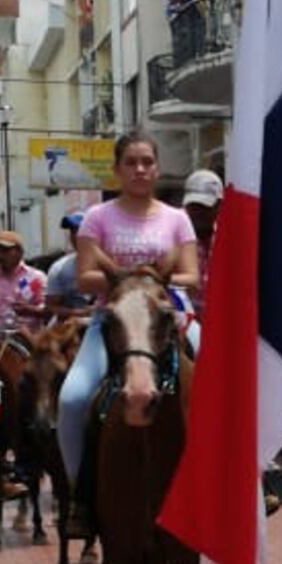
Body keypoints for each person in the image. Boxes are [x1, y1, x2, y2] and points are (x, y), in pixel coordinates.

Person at [57, 129, 198, 523]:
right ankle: (79, 497)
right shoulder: (96, 219)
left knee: (226, 385)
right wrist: (133, 283)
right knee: (72, 398)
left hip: (170, 318)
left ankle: (257, 478)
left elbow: (190, 275)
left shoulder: (178, 219)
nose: (140, 169)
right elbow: (85, 278)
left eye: (147, 162)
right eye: (131, 162)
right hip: (113, 320)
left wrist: (145, 283)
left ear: (157, 168)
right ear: (117, 170)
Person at [0, 231, 46, 336]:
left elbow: (48, 308)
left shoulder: (34, 278)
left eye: (5, 251)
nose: (0, 256)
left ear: (19, 252)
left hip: (30, 338)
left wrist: (31, 310)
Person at [182, 168, 224, 319]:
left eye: (204, 207)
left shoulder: (228, 236)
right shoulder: (174, 233)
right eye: (193, 206)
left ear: (219, 205)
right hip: (185, 321)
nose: (198, 213)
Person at [45, 214, 92, 313]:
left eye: (80, 231)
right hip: (71, 323)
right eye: (73, 232)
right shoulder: (59, 268)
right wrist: (78, 313)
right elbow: (50, 307)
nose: (76, 236)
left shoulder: (113, 263)